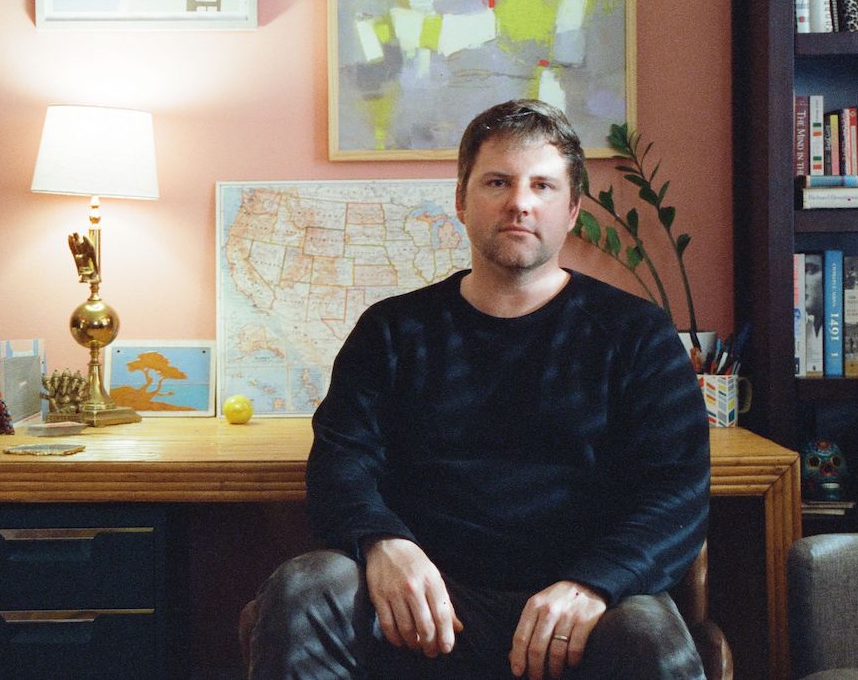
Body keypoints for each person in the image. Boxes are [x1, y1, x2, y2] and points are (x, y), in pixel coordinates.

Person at [247, 100, 710, 680]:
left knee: (650, 633)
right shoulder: (391, 331)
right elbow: (340, 463)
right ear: (462, 202)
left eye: (542, 185)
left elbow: (678, 494)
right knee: (308, 586)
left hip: (577, 613)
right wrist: (382, 543)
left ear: (572, 210)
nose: (520, 202)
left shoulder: (637, 334)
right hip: (419, 610)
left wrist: (594, 584)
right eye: (498, 182)